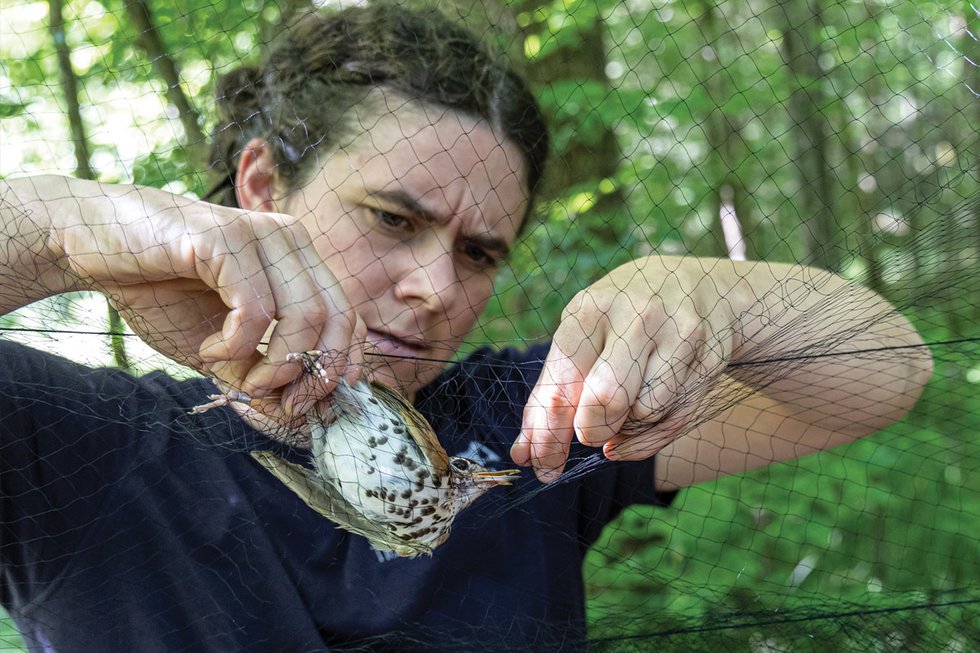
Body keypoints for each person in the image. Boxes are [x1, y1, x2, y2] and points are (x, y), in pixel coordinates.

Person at [0, 3, 932, 652]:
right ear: (260, 187)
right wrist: (56, 230)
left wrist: (719, 299)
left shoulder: (533, 421)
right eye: (392, 219)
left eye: (481, 252)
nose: (434, 288)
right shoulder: (76, 439)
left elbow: (886, 371)